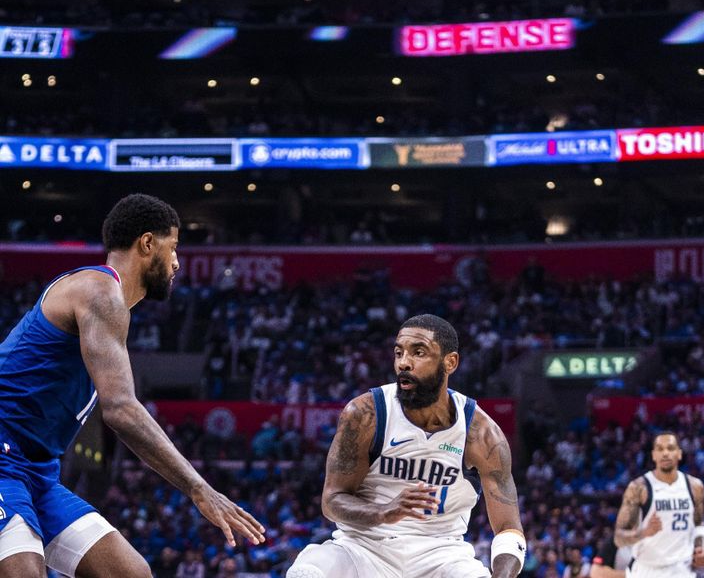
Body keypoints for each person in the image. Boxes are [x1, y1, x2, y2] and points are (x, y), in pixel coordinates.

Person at [0, 194, 265, 578]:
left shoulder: (108, 305)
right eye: (173, 247)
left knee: (131, 573)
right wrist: (198, 488)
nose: (176, 262)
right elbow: (121, 410)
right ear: (147, 244)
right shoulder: (100, 292)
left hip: (37, 471)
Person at [286, 314, 526, 578]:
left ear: (451, 362)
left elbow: (508, 529)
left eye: (418, 352)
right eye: (399, 352)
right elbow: (332, 500)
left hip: (441, 555)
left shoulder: (482, 433)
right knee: (307, 571)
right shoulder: (365, 414)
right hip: (364, 548)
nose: (404, 363)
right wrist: (384, 512)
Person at [614, 432, 704, 578]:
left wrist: (701, 547)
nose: (665, 453)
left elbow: (699, 524)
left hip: (682, 569)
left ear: (679, 454)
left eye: (670, 448)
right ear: (653, 455)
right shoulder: (639, 488)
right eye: (660, 449)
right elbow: (618, 537)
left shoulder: (695, 486)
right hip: (647, 569)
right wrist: (644, 532)